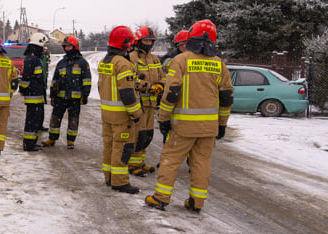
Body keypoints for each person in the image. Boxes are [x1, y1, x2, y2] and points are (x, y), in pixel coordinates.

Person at [145, 19, 234, 212]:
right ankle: (197, 202)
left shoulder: (181, 61)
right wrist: (222, 124)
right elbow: (226, 97)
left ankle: (161, 198)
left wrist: (164, 119)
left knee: (170, 160)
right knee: (201, 163)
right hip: (208, 128)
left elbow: (171, 93)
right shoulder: (219, 64)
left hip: (183, 126)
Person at [97, 26, 143, 193]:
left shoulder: (105, 61)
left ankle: (109, 177)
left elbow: (101, 86)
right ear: (126, 44)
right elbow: (127, 93)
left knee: (108, 145)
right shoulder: (123, 64)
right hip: (121, 116)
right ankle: (120, 181)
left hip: (107, 113)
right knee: (122, 147)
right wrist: (136, 114)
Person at [128, 26, 165, 177]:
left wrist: (160, 85)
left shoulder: (155, 59)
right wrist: (149, 87)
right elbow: (130, 81)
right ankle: (133, 164)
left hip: (152, 105)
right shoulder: (131, 58)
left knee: (148, 135)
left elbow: (163, 76)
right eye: (146, 40)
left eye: (151, 40)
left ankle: (141, 162)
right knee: (138, 135)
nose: (149, 43)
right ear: (138, 41)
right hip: (139, 103)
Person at [43, 35, 92, 149]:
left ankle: (71, 141)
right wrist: (53, 94)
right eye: (65, 46)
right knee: (55, 118)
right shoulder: (61, 62)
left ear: (75, 47)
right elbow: (55, 79)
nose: (66, 48)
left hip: (75, 98)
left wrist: (85, 94)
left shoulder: (82, 63)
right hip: (60, 97)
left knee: (73, 120)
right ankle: (52, 138)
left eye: (69, 46)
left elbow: (87, 80)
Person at [18, 32, 49, 151]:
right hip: (33, 96)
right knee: (31, 121)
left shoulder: (34, 59)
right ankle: (29, 145)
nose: (44, 49)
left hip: (37, 95)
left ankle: (31, 143)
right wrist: (23, 89)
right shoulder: (31, 59)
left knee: (35, 120)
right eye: (42, 46)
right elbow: (26, 78)